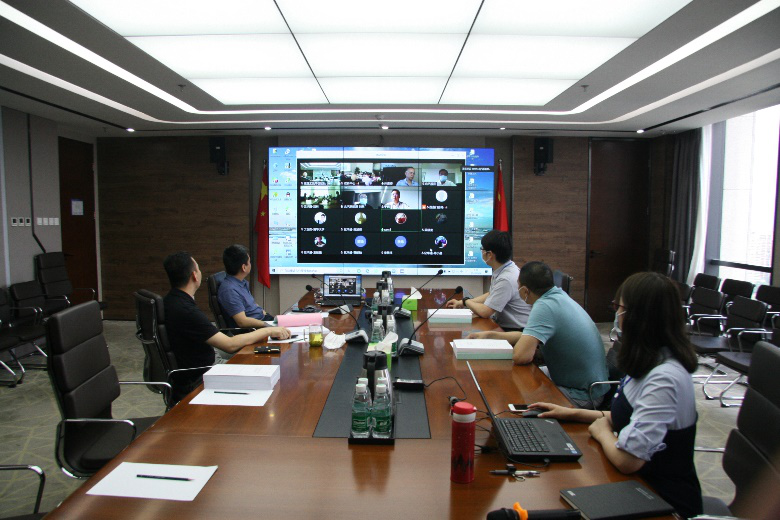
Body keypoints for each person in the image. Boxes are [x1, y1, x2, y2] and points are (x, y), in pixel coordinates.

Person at [528, 272, 702, 518]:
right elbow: (634, 417)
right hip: (637, 487)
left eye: (619, 308)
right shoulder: (648, 360)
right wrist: (574, 413)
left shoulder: (665, 379)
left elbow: (628, 461)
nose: (617, 314)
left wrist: (602, 432)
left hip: (664, 502)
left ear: (639, 316)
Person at [468, 261, 608, 408]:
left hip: (582, 394)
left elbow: (521, 356)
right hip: (585, 383)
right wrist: (490, 336)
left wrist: (490, 354)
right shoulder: (557, 296)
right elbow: (527, 337)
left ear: (524, 291)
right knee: (517, 380)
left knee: (514, 400)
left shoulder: (544, 306)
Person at [163, 251, 290, 399]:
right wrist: (268, 331)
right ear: (194, 276)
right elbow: (229, 345)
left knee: (262, 352)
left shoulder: (171, 301)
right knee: (265, 367)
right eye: (198, 268)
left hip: (202, 358)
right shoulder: (187, 310)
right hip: (205, 370)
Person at [447, 230, 530, 331]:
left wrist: (466, 301)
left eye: (482, 249)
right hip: (503, 325)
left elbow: (485, 312)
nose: (481, 252)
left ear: (489, 254)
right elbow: (491, 294)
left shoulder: (506, 278)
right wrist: (461, 302)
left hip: (515, 330)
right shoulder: (505, 268)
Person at [217, 244, 274, 329]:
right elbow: (242, 322)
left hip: (263, 320)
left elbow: (252, 305)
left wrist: (265, 315)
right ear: (244, 267)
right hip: (256, 327)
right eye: (249, 262)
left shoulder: (241, 282)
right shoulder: (229, 290)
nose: (250, 264)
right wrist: (269, 325)